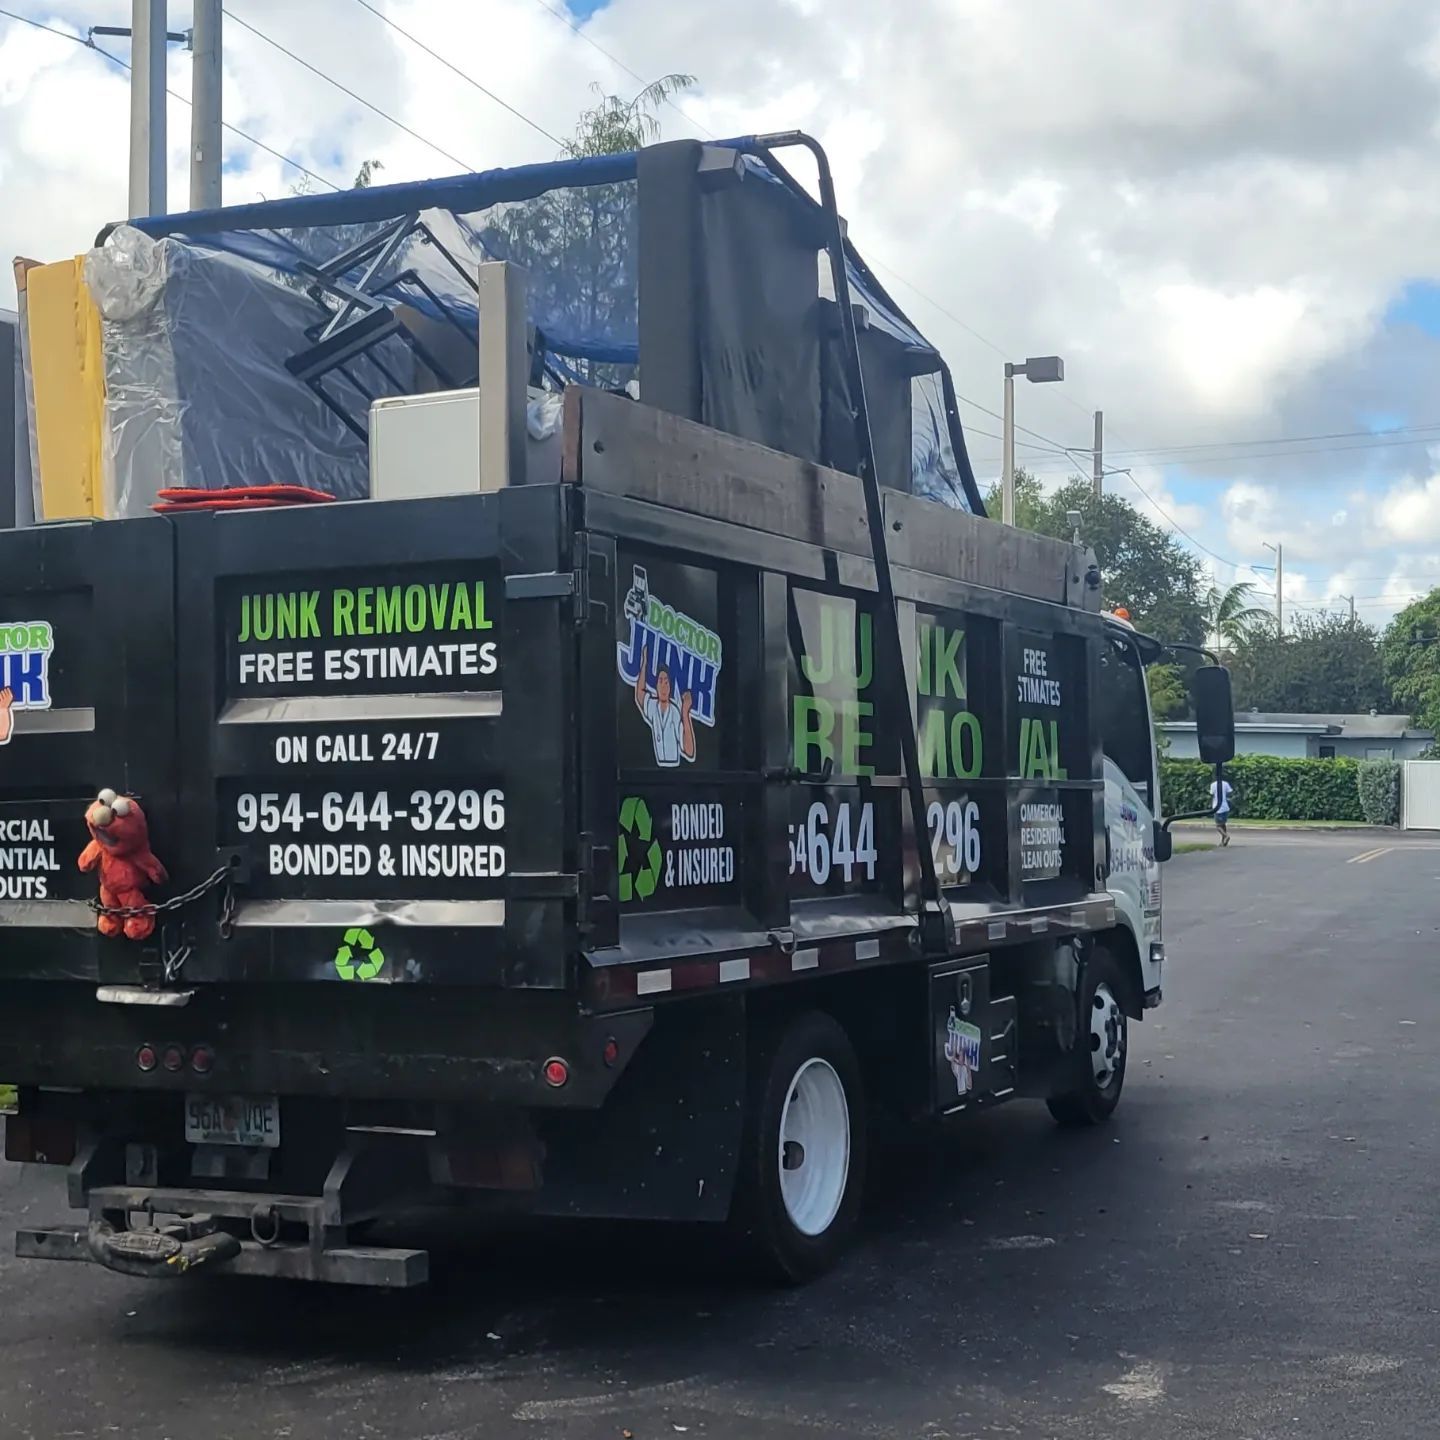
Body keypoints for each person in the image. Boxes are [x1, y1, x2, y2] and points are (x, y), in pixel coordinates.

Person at [634, 644, 695, 767]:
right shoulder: (653, 708)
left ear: (670, 687)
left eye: (666, 682)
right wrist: (644, 663)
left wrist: (685, 713)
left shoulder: (675, 712)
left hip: (675, 771)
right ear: (656, 686)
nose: (663, 686)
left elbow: (689, 750)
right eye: (660, 682)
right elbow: (640, 694)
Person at [1210, 774, 1234, 846]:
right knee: (1223, 824)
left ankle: (1226, 836)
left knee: (1218, 826)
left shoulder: (1213, 785)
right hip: (1225, 806)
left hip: (1217, 807)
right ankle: (1223, 841)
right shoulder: (1225, 783)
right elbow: (1230, 792)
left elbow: (1212, 794)